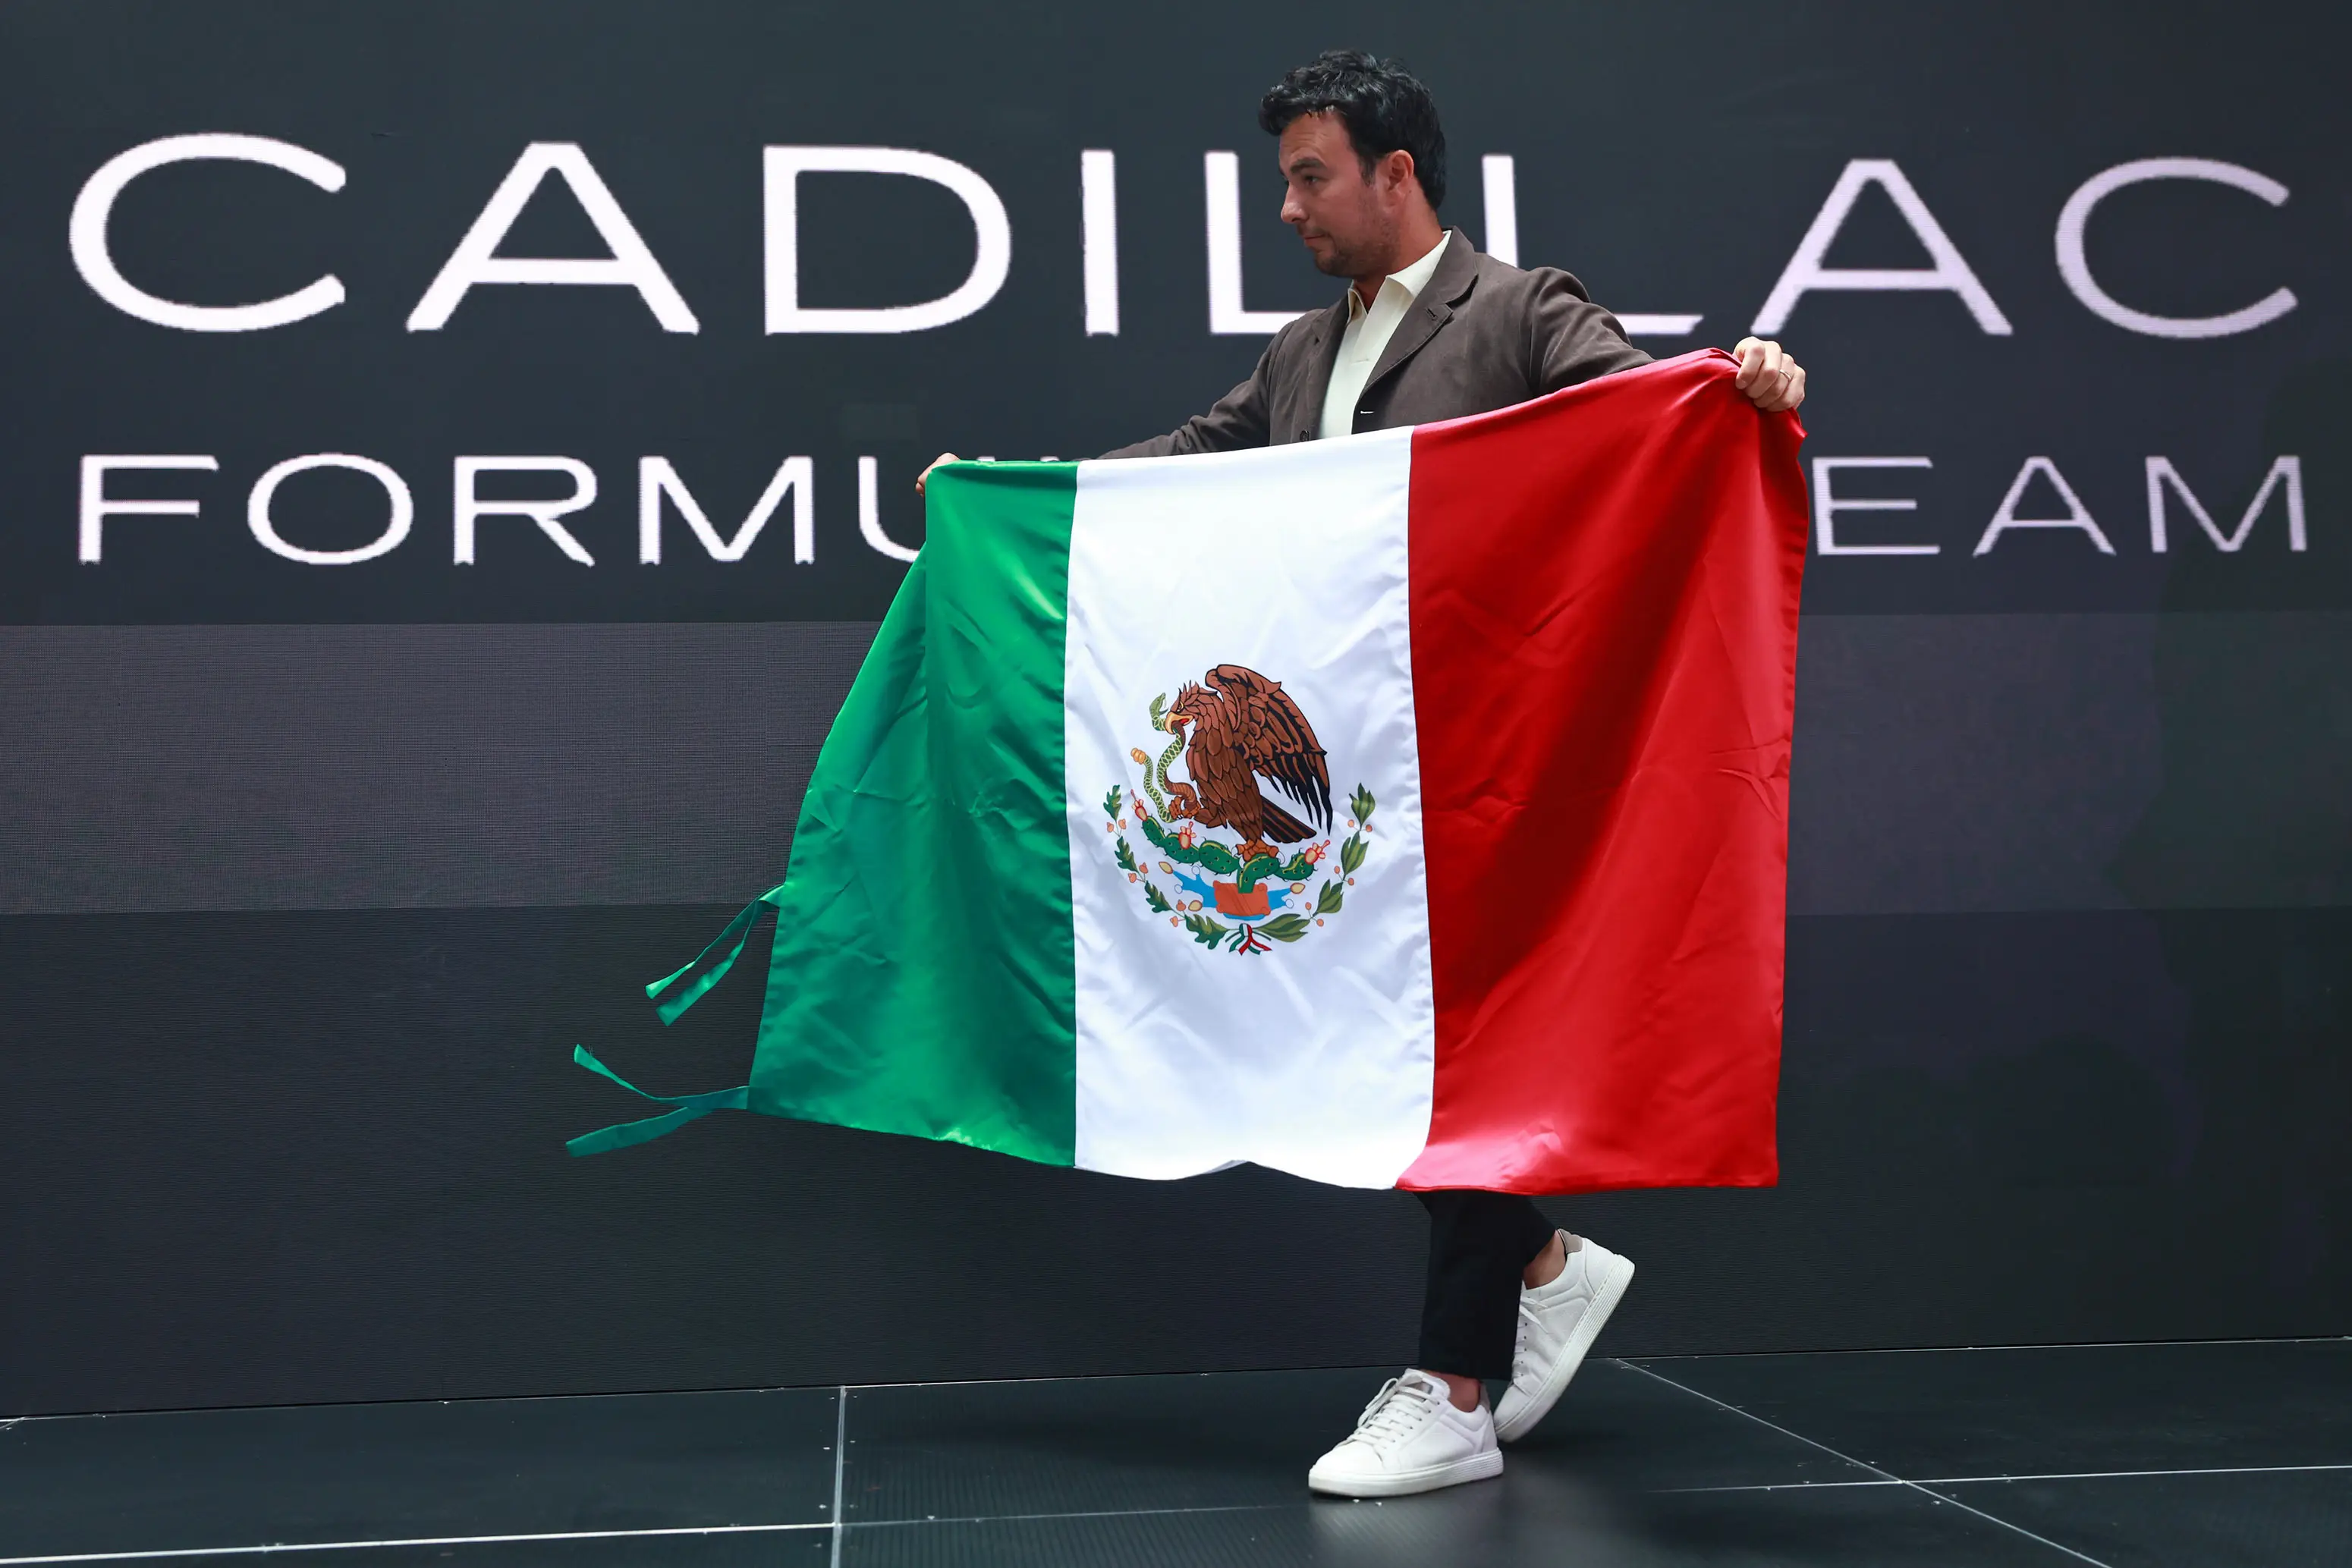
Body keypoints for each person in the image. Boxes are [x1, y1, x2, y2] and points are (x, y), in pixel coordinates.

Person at [920, 48, 1807, 1498]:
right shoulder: (1300, 353)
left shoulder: (1522, 306)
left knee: (1461, 1062)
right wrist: (1023, 500)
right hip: (1366, 793)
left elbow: (1657, 427)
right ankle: (1545, 1260)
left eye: (1310, 175)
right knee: (1391, 1067)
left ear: (1399, 176)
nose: (1289, 207)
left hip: (1505, 775)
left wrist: (1749, 380)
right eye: (1285, 181)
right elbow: (1189, 465)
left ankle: (1456, 1386)